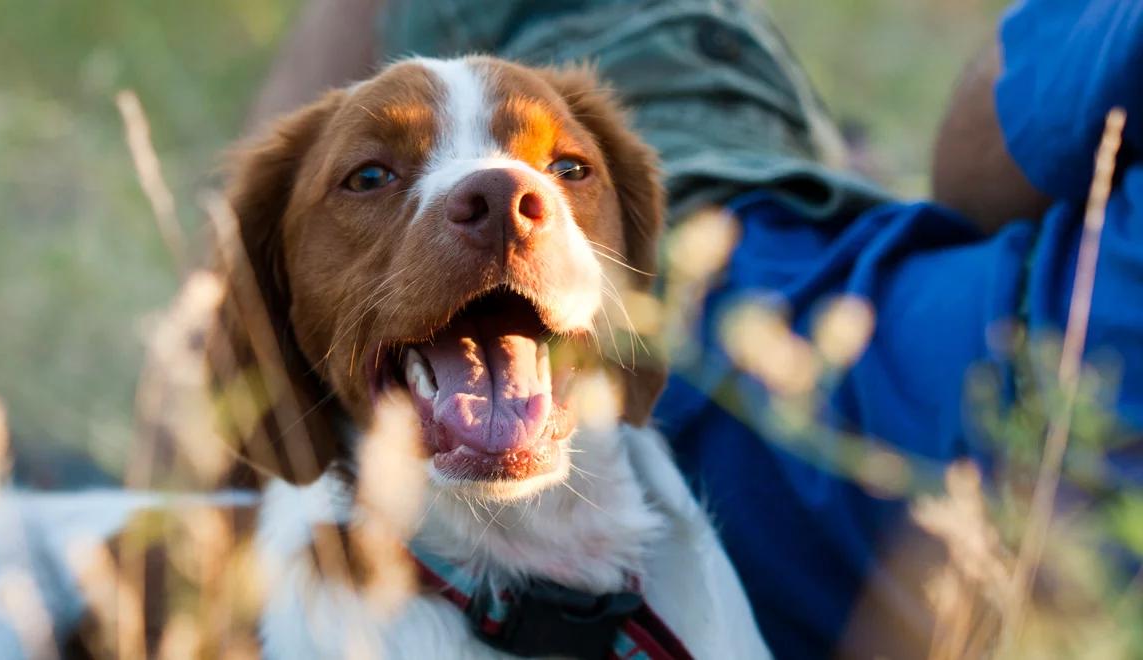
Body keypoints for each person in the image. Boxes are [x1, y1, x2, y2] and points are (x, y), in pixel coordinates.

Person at [252, 0, 1143, 656]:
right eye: (372, 178)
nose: (508, 197)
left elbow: (986, 150)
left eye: (563, 169)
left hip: (769, 348)